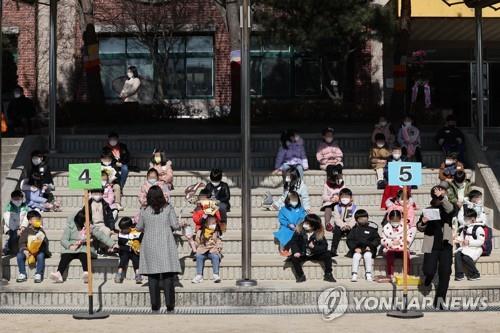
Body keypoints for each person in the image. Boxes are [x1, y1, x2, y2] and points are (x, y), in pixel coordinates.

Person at [136, 186, 181, 313]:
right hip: (165, 243)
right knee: (167, 276)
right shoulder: (168, 208)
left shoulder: (144, 209)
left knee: (153, 276)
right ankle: (170, 305)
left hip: (150, 244)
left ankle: (155, 305)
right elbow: (175, 225)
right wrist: (180, 223)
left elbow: (139, 227)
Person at [49, 210, 116, 284]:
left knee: (84, 254)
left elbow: (101, 236)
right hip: (72, 247)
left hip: (85, 247)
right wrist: (70, 246)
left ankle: (86, 273)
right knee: (65, 256)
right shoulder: (70, 226)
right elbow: (63, 240)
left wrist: (112, 244)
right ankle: (59, 274)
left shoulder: (90, 227)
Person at [417, 185, 456, 309]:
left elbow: (450, 209)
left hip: (446, 245)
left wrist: (443, 197)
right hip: (431, 244)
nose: (440, 193)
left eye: (442, 192)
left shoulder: (448, 208)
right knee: (429, 270)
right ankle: (428, 277)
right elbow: (419, 227)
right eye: (438, 193)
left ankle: (439, 301)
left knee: (445, 272)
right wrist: (423, 222)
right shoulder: (428, 209)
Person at [288, 214, 336, 283]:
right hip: (302, 253)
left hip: (315, 254)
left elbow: (324, 246)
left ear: (313, 226)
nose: (305, 224)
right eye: (305, 222)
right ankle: (300, 275)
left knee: (327, 254)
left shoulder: (318, 233)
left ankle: (328, 274)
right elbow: (293, 242)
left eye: (308, 224)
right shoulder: (299, 231)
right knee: (294, 258)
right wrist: (296, 251)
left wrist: (314, 247)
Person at [16, 210, 50, 283]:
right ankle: (22, 273)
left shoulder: (41, 230)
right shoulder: (26, 231)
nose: (38, 221)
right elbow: (21, 242)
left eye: (38, 220)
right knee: (19, 256)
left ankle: (38, 273)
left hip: (38, 251)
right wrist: (25, 250)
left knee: (41, 256)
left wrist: (42, 239)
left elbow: (45, 242)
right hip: (28, 251)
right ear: (30, 221)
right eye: (35, 220)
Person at [346, 210, 380, 282]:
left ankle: (368, 273)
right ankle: (354, 274)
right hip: (357, 249)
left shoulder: (372, 229)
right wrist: (355, 248)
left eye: (365, 218)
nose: (363, 220)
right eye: (361, 219)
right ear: (356, 220)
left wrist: (371, 246)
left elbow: (377, 239)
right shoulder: (354, 230)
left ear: (367, 218)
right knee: (356, 256)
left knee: (367, 255)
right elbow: (349, 240)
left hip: (369, 249)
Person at [381, 210, 415, 278]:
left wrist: (402, 242)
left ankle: (406, 273)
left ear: (400, 219)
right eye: (393, 220)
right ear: (390, 219)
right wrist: (391, 242)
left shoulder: (405, 226)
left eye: (397, 220)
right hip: (390, 248)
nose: (395, 222)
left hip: (402, 247)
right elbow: (382, 239)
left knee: (406, 255)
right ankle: (390, 273)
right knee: (390, 254)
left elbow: (409, 236)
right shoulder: (385, 228)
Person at [454, 209, 484, 281]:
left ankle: (475, 274)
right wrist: (456, 239)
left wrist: (470, 242)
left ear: (473, 219)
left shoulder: (479, 228)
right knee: (458, 254)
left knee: (466, 257)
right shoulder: (465, 228)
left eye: (466, 218)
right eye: (464, 218)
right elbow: (461, 238)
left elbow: (481, 241)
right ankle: (459, 274)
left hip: (476, 248)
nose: (464, 220)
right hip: (466, 248)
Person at [273, 191, 307, 256]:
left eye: (296, 200)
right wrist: (288, 224)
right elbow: (281, 219)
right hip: (286, 226)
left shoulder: (301, 209)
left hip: (298, 226)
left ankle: (302, 248)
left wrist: (298, 224)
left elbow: (302, 217)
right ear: (288, 200)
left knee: (301, 233)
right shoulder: (283, 209)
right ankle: (282, 249)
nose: (294, 202)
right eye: (292, 200)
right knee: (284, 232)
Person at [192, 215, 223, 283]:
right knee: (199, 257)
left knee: (215, 257)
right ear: (206, 224)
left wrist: (219, 248)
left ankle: (216, 274)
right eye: (212, 223)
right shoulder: (200, 232)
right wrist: (193, 244)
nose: (214, 225)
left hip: (212, 249)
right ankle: (199, 275)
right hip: (203, 249)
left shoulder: (215, 232)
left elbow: (218, 241)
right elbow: (197, 242)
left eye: (215, 223)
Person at [115, 217, 143, 284]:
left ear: (129, 227)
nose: (122, 231)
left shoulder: (136, 232)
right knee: (123, 259)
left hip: (134, 251)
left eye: (124, 229)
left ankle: (138, 274)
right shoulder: (121, 234)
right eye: (121, 229)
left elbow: (141, 239)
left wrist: (138, 247)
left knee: (136, 259)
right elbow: (120, 244)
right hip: (124, 251)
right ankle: (119, 273)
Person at [330, 188, 357, 257]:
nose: (345, 199)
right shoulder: (337, 207)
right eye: (342, 197)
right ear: (339, 198)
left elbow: (354, 219)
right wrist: (342, 225)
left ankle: (352, 250)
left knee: (352, 234)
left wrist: (349, 226)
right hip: (340, 226)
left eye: (347, 197)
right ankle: (333, 249)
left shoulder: (354, 207)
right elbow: (337, 219)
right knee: (336, 231)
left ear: (351, 198)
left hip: (350, 225)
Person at [2, 190, 29, 255]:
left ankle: (21, 249)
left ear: (22, 198)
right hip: (10, 227)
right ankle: (7, 248)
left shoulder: (25, 206)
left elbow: (26, 217)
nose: (17, 201)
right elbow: (8, 220)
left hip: (21, 227)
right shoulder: (8, 207)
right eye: (15, 199)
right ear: (12, 199)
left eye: (18, 199)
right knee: (13, 235)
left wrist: (23, 226)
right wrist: (16, 229)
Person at [204, 168, 231, 233]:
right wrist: (208, 198)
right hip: (211, 202)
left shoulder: (224, 185)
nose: (214, 183)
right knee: (208, 208)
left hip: (221, 202)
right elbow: (205, 194)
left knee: (222, 207)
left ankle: (223, 223)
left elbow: (227, 196)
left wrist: (219, 200)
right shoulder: (209, 186)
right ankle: (209, 225)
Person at [321, 167, 345, 232]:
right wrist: (330, 198)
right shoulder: (326, 184)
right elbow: (323, 196)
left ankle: (340, 223)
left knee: (340, 208)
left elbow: (345, 192)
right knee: (327, 209)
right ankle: (327, 224)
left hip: (339, 201)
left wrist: (339, 198)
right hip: (330, 202)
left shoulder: (342, 184)